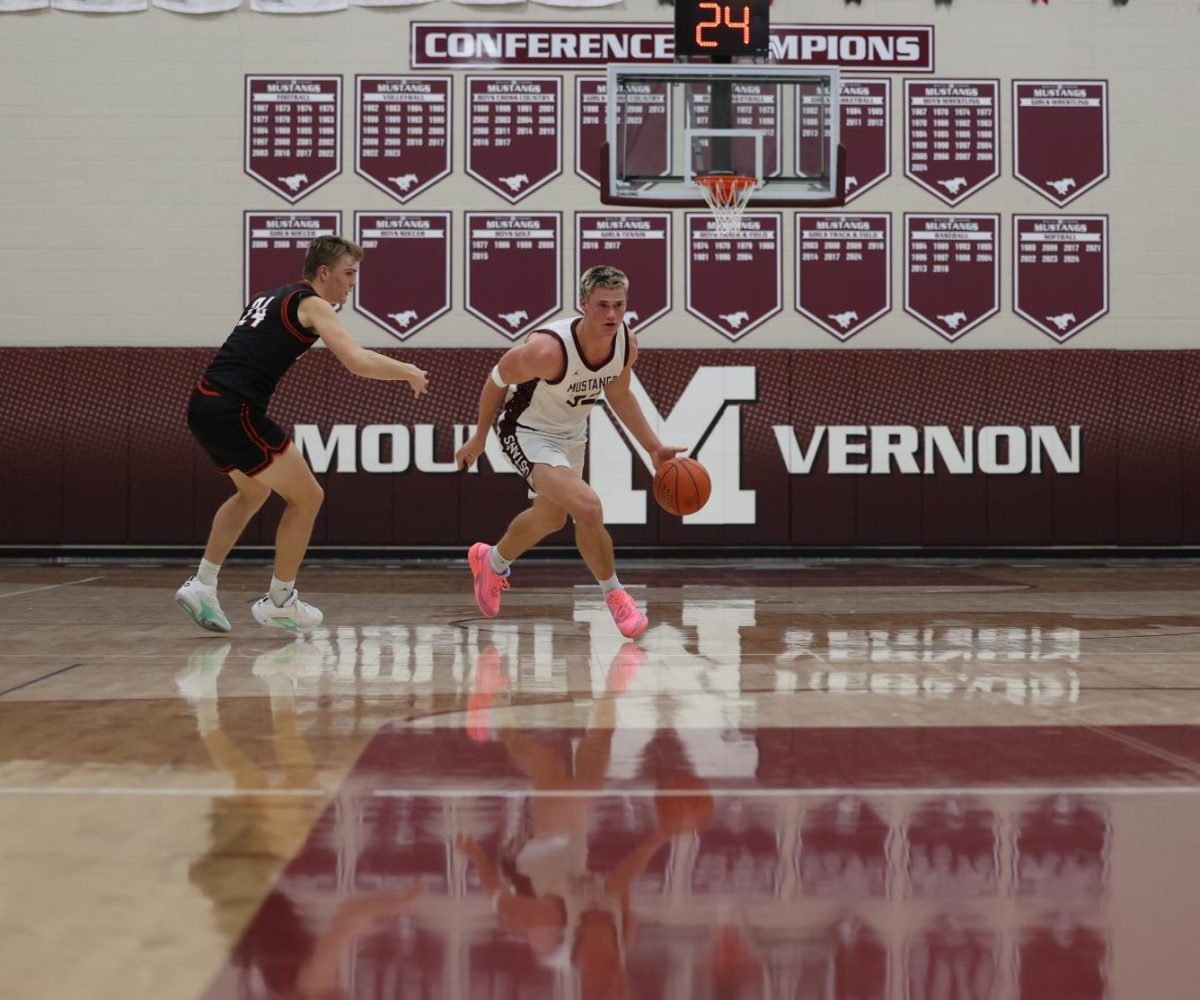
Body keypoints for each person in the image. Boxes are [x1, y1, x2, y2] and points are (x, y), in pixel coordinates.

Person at [175, 235, 428, 634]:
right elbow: (357, 361)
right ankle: (280, 601)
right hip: (234, 409)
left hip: (203, 405)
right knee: (308, 496)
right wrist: (408, 370)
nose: (352, 283)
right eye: (348, 274)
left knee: (252, 492)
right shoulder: (312, 303)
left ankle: (202, 584)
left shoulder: (269, 296)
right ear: (324, 272)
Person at [454, 265, 681, 640]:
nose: (611, 315)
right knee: (588, 507)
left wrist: (653, 447)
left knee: (549, 519)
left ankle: (490, 560)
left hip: (571, 434)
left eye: (618, 306)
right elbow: (495, 380)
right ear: (583, 304)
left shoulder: (625, 342)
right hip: (525, 431)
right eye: (602, 305)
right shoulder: (546, 351)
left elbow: (619, 394)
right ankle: (616, 595)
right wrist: (478, 437)